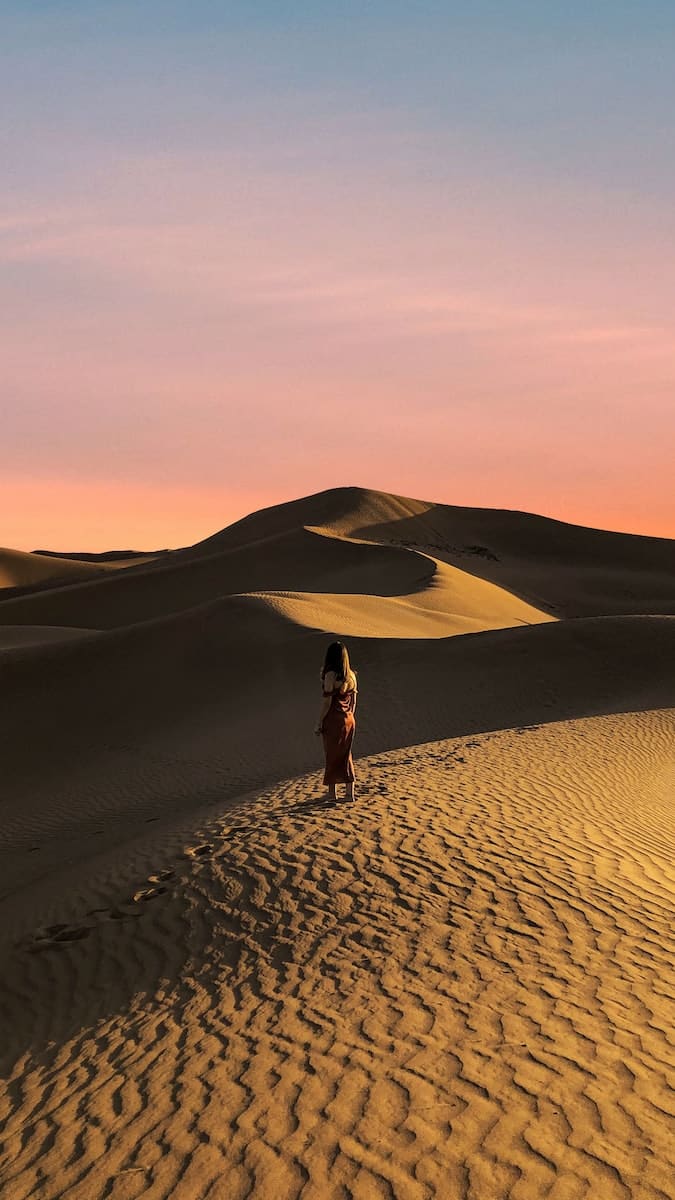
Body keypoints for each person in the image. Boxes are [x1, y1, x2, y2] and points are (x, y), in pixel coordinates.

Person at [314, 640, 358, 801]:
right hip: (349, 719)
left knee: (331, 754)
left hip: (333, 719)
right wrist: (350, 716)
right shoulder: (351, 675)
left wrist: (319, 722)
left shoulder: (330, 675)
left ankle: (332, 794)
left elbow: (327, 702)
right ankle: (349, 794)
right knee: (346, 754)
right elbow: (353, 700)